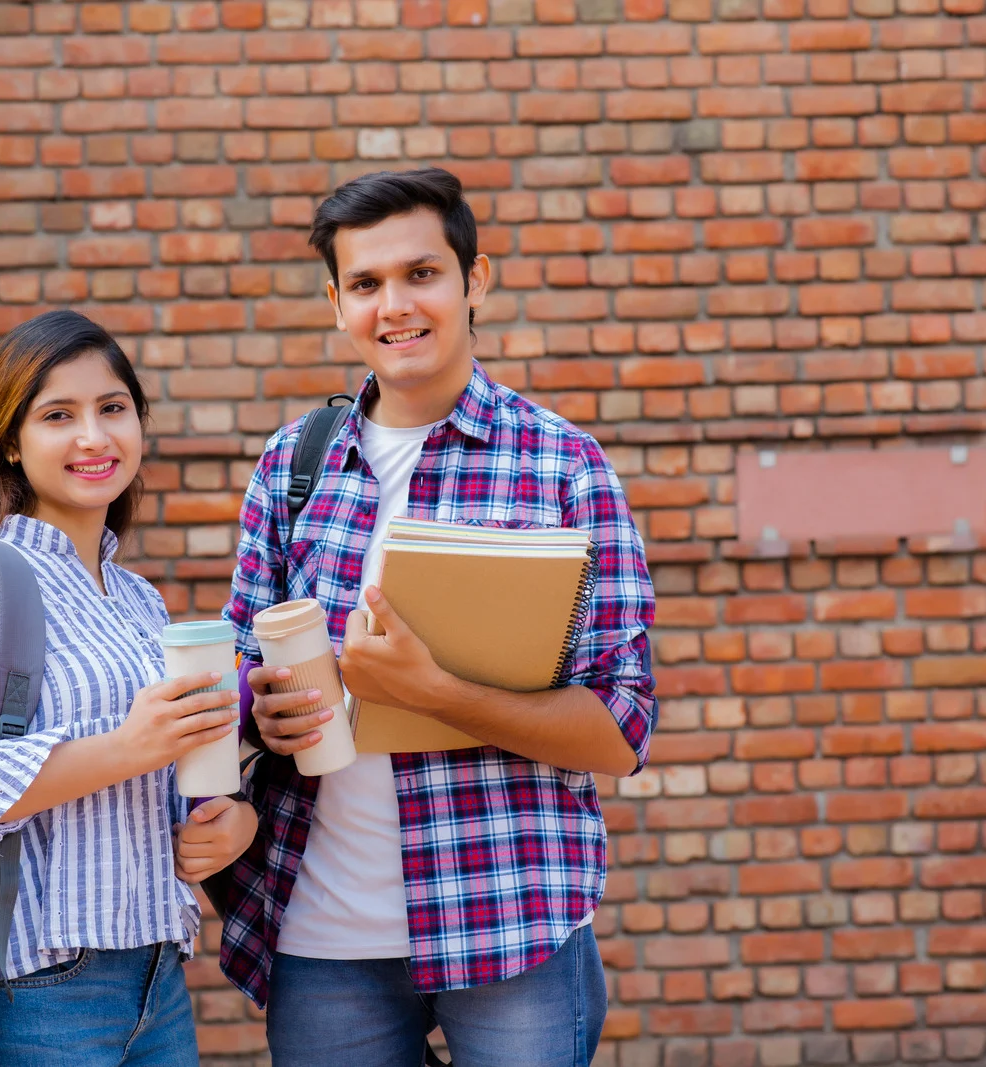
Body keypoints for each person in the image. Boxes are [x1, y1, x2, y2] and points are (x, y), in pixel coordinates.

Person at [220, 168, 659, 1067]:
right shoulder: (291, 465)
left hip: (512, 926)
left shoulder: (564, 468)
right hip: (325, 936)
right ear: (336, 302)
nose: (397, 305)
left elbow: (620, 729)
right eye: (368, 284)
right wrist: (258, 716)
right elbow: (239, 672)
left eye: (422, 274)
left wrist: (437, 693)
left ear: (475, 281)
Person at [0, 309, 258, 1067]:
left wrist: (228, 823)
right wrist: (124, 746)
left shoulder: (138, 598)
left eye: (112, 408)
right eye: (58, 415)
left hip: (157, 986)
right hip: (37, 994)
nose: (93, 436)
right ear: (11, 441)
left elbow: (159, 778)